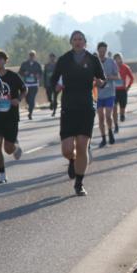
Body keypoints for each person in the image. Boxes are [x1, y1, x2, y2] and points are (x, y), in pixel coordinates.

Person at [49, 30, 106, 196]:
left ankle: (79, 183)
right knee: (67, 149)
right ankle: (72, 160)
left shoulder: (93, 59)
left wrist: (100, 82)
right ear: (71, 42)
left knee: (82, 146)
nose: (78, 41)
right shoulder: (64, 59)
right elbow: (53, 80)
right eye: (75, 39)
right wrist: (55, 87)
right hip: (68, 107)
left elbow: (103, 79)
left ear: (85, 42)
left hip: (86, 107)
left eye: (80, 39)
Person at [0, 50, 25, 185]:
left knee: (8, 149)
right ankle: (2, 174)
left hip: (11, 116)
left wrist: (18, 99)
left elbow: (24, 89)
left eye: (0, 59)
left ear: (5, 61)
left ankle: (15, 147)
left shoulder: (13, 76)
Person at [95, 42, 118, 148]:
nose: (102, 53)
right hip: (99, 95)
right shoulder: (94, 62)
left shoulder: (111, 62)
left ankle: (110, 132)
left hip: (110, 93)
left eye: (104, 51)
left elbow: (117, 76)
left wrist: (109, 77)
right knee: (100, 117)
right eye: (100, 51)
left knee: (108, 116)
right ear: (98, 51)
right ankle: (103, 138)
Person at [18, 50, 43, 120]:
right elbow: (20, 72)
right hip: (26, 85)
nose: (31, 57)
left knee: (32, 99)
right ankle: (30, 107)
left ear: (35, 56)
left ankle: (30, 113)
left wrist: (38, 75)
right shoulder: (24, 64)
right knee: (27, 99)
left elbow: (41, 73)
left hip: (34, 84)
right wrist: (24, 73)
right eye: (30, 55)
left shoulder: (37, 64)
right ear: (29, 56)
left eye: (33, 55)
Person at [113, 52, 134, 126]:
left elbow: (132, 78)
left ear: (122, 59)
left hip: (123, 90)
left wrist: (128, 87)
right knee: (114, 107)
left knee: (122, 106)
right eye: (116, 59)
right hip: (114, 91)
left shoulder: (126, 67)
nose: (118, 60)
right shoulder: (112, 68)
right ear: (114, 60)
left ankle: (122, 114)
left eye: (119, 58)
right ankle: (115, 124)